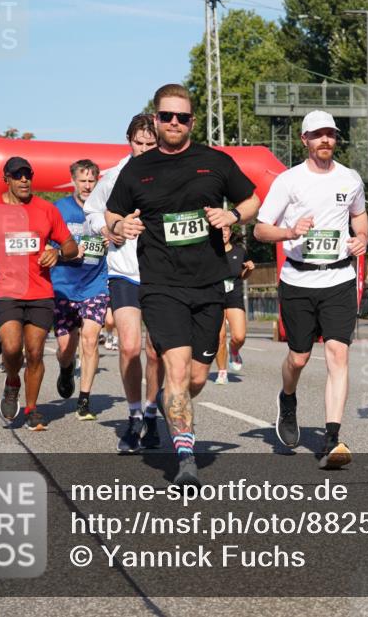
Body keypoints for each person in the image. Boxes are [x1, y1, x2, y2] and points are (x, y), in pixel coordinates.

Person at [105, 84, 260, 485]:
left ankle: (167, 404)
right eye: (167, 117)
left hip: (208, 284)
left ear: (193, 120)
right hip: (160, 284)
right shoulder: (137, 169)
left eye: (183, 117)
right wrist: (121, 226)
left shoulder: (215, 162)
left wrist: (234, 217)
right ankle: (186, 456)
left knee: (194, 378)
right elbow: (110, 215)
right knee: (174, 369)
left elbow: (252, 200)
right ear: (156, 119)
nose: (175, 123)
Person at [254, 109, 368, 469]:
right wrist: (290, 232)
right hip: (298, 280)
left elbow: (359, 219)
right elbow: (260, 229)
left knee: (338, 354)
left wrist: (361, 238)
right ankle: (288, 398)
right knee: (299, 357)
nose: (325, 140)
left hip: (338, 279)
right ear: (304, 140)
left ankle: (331, 439)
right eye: (317, 134)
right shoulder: (289, 181)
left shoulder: (350, 179)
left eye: (330, 134)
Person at [0, 156, 77, 431]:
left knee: (36, 353)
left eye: (28, 174)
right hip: (6, 289)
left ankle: (32, 408)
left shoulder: (46, 209)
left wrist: (58, 252)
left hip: (40, 291)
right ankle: (12, 380)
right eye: (18, 175)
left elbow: (71, 245)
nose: (24, 179)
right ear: (7, 179)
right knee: (13, 348)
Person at [85, 113, 164, 453]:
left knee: (156, 353)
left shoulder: (170, 174)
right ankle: (133, 417)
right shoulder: (114, 176)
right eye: (138, 143)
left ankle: (150, 414)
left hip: (162, 273)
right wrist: (108, 230)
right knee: (130, 347)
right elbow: (91, 212)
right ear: (128, 140)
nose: (144, 149)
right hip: (124, 271)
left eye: (151, 143)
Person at [51, 159, 109, 421]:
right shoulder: (58, 210)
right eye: (82, 180)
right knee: (65, 347)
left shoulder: (107, 209)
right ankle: (66, 369)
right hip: (63, 285)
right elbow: (45, 247)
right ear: (73, 181)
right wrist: (66, 251)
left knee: (90, 339)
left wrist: (113, 236)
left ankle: (84, 400)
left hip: (95, 284)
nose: (87, 186)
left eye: (91, 181)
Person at [212, 224, 255, 385]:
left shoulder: (239, 252)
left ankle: (235, 350)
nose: (223, 233)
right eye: (220, 230)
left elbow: (242, 276)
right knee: (219, 336)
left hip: (234, 295)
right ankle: (222, 372)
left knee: (239, 336)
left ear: (230, 233)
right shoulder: (210, 251)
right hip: (214, 296)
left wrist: (249, 269)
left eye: (226, 230)